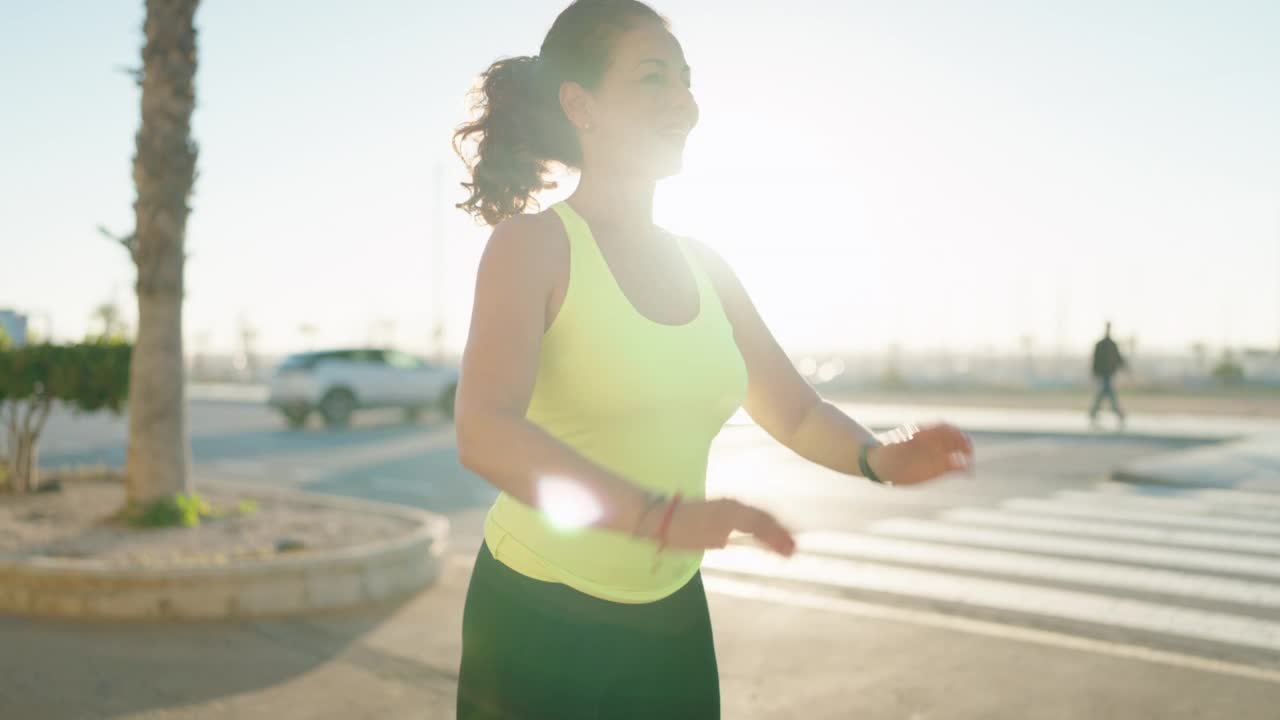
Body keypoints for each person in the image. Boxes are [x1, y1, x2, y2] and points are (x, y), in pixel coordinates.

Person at [451, 2, 975, 717]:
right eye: (654, 78)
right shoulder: (535, 246)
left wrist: (878, 459)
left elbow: (795, 409)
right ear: (581, 104)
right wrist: (656, 517)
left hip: (670, 618)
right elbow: (485, 431)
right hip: (537, 618)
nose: (684, 102)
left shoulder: (706, 264)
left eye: (686, 80)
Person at [1089, 322, 1127, 427]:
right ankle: (1119, 414)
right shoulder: (1101, 345)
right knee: (1109, 394)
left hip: (1109, 374)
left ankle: (1093, 413)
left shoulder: (1112, 345)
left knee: (1104, 394)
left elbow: (1118, 358)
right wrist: (1094, 372)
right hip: (1103, 374)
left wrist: (1125, 368)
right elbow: (1095, 360)